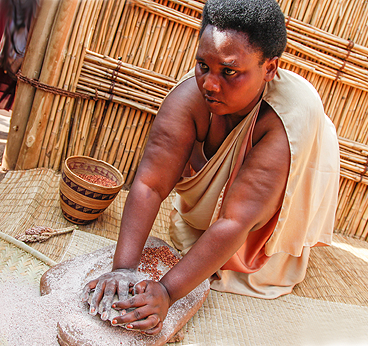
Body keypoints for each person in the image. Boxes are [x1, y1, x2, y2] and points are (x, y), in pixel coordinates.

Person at [82, 0, 340, 336]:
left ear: (270, 68)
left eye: (229, 71)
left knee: (253, 262)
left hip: (269, 210)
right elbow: (150, 184)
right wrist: (123, 269)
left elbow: (236, 220)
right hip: (220, 219)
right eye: (203, 65)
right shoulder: (191, 96)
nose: (210, 84)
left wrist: (168, 292)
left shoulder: (289, 117)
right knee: (193, 240)